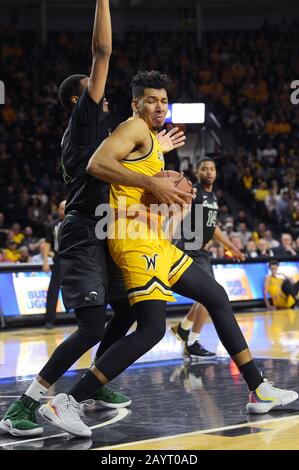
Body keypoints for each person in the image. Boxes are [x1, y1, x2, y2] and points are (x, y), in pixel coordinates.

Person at [39, 70, 298, 437]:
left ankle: (259, 388)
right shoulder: (132, 129)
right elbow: (98, 167)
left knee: (216, 296)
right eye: (151, 100)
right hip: (132, 241)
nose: (159, 106)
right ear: (135, 104)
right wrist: (153, 188)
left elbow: (136, 180)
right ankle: (66, 401)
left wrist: (166, 189)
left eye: (163, 101)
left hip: (152, 239)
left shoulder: (147, 138)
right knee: (151, 329)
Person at [0, 3, 186, 439]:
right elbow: (102, 50)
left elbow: (128, 167)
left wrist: (158, 149)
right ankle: (23, 407)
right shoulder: (84, 122)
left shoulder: (104, 135)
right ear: (76, 99)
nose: (99, 93)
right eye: (91, 90)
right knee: (91, 326)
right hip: (84, 229)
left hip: (105, 227)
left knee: (126, 310)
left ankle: (99, 383)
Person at [170, 157, 245, 359]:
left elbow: (214, 228)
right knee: (210, 295)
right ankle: (192, 342)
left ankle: (184, 328)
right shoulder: (193, 191)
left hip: (201, 250)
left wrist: (231, 247)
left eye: (212, 169)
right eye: (204, 169)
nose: (209, 172)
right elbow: (176, 212)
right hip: (189, 247)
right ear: (197, 172)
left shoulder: (213, 197)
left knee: (207, 294)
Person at [42, 200, 65, 329]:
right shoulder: (52, 225)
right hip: (59, 260)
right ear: (58, 210)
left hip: (74, 260)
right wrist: (45, 261)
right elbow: (47, 244)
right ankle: (49, 320)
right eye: (62, 209)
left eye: (66, 208)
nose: (64, 211)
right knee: (53, 290)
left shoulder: (75, 223)